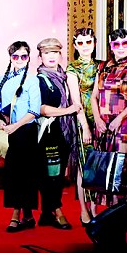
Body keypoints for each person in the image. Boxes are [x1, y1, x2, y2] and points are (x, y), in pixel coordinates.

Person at [90, 28, 127, 216]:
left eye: (124, 43)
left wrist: (120, 118)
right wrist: (97, 119)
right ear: (111, 47)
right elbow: (94, 96)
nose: (121, 47)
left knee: (122, 168)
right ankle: (99, 215)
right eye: (116, 44)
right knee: (101, 167)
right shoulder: (102, 67)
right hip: (102, 124)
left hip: (123, 125)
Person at [0, 41, 42, 233]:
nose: (19, 59)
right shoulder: (2, 80)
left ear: (28, 58)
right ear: (10, 58)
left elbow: (34, 110)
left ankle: (16, 216)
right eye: (15, 56)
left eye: (23, 56)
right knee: (12, 174)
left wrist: (16, 125)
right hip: (8, 131)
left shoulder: (32, 80)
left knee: (26, 174)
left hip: (26, 131)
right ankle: (27, 215)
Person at [35, 38, 82, 230]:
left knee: (58, 173)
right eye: (46, 53)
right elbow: (41, 109)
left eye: (54, 52)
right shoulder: (40, 79)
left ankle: (46, 214)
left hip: (64, 131)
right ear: (40, 57)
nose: (51, 56)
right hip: (49, 132)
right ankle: (57, 210)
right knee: (51, 175)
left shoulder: (64, 76)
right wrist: (68, 110)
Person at [66, 28, 101, 225]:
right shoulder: (73, 68)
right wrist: (85, 127)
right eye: (80, 43)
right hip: (82, 121)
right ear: (75, 45)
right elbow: (76, 101)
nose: (85, 46)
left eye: (88, 42)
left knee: (97, 165)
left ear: (94, 43)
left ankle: (95, 207)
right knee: (84, 165)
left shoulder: (101, 66)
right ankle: (83, 210)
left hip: (101, 121)